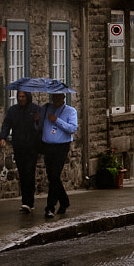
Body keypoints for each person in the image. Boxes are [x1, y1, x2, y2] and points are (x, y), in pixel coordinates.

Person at [0, 91, 42, 211]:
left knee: (29, 172)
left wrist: (38, 120)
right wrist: (3, 137)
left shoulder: (35, 109)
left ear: (27, 97)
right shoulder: (13, 111)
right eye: (19, 97)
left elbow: (41, 127)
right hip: (19, 145)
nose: (21, 99)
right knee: (22, 174)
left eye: (23, 97)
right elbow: (6, 124)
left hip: (32, 146)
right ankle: (25, 201)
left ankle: (30, 201)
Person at [40, 91, 77, 219]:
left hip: (61, 146)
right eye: (53, 97)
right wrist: (36, 120)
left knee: (55, 174)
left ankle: (50, 207)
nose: (55, 99)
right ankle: (64, 201)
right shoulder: (46, 108)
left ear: (63, 97)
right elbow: (39, 125)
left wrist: (57, 120)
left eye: (58, 97)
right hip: (48, 146)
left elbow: (72, 128)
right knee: (52, 176)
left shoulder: (70, 111)